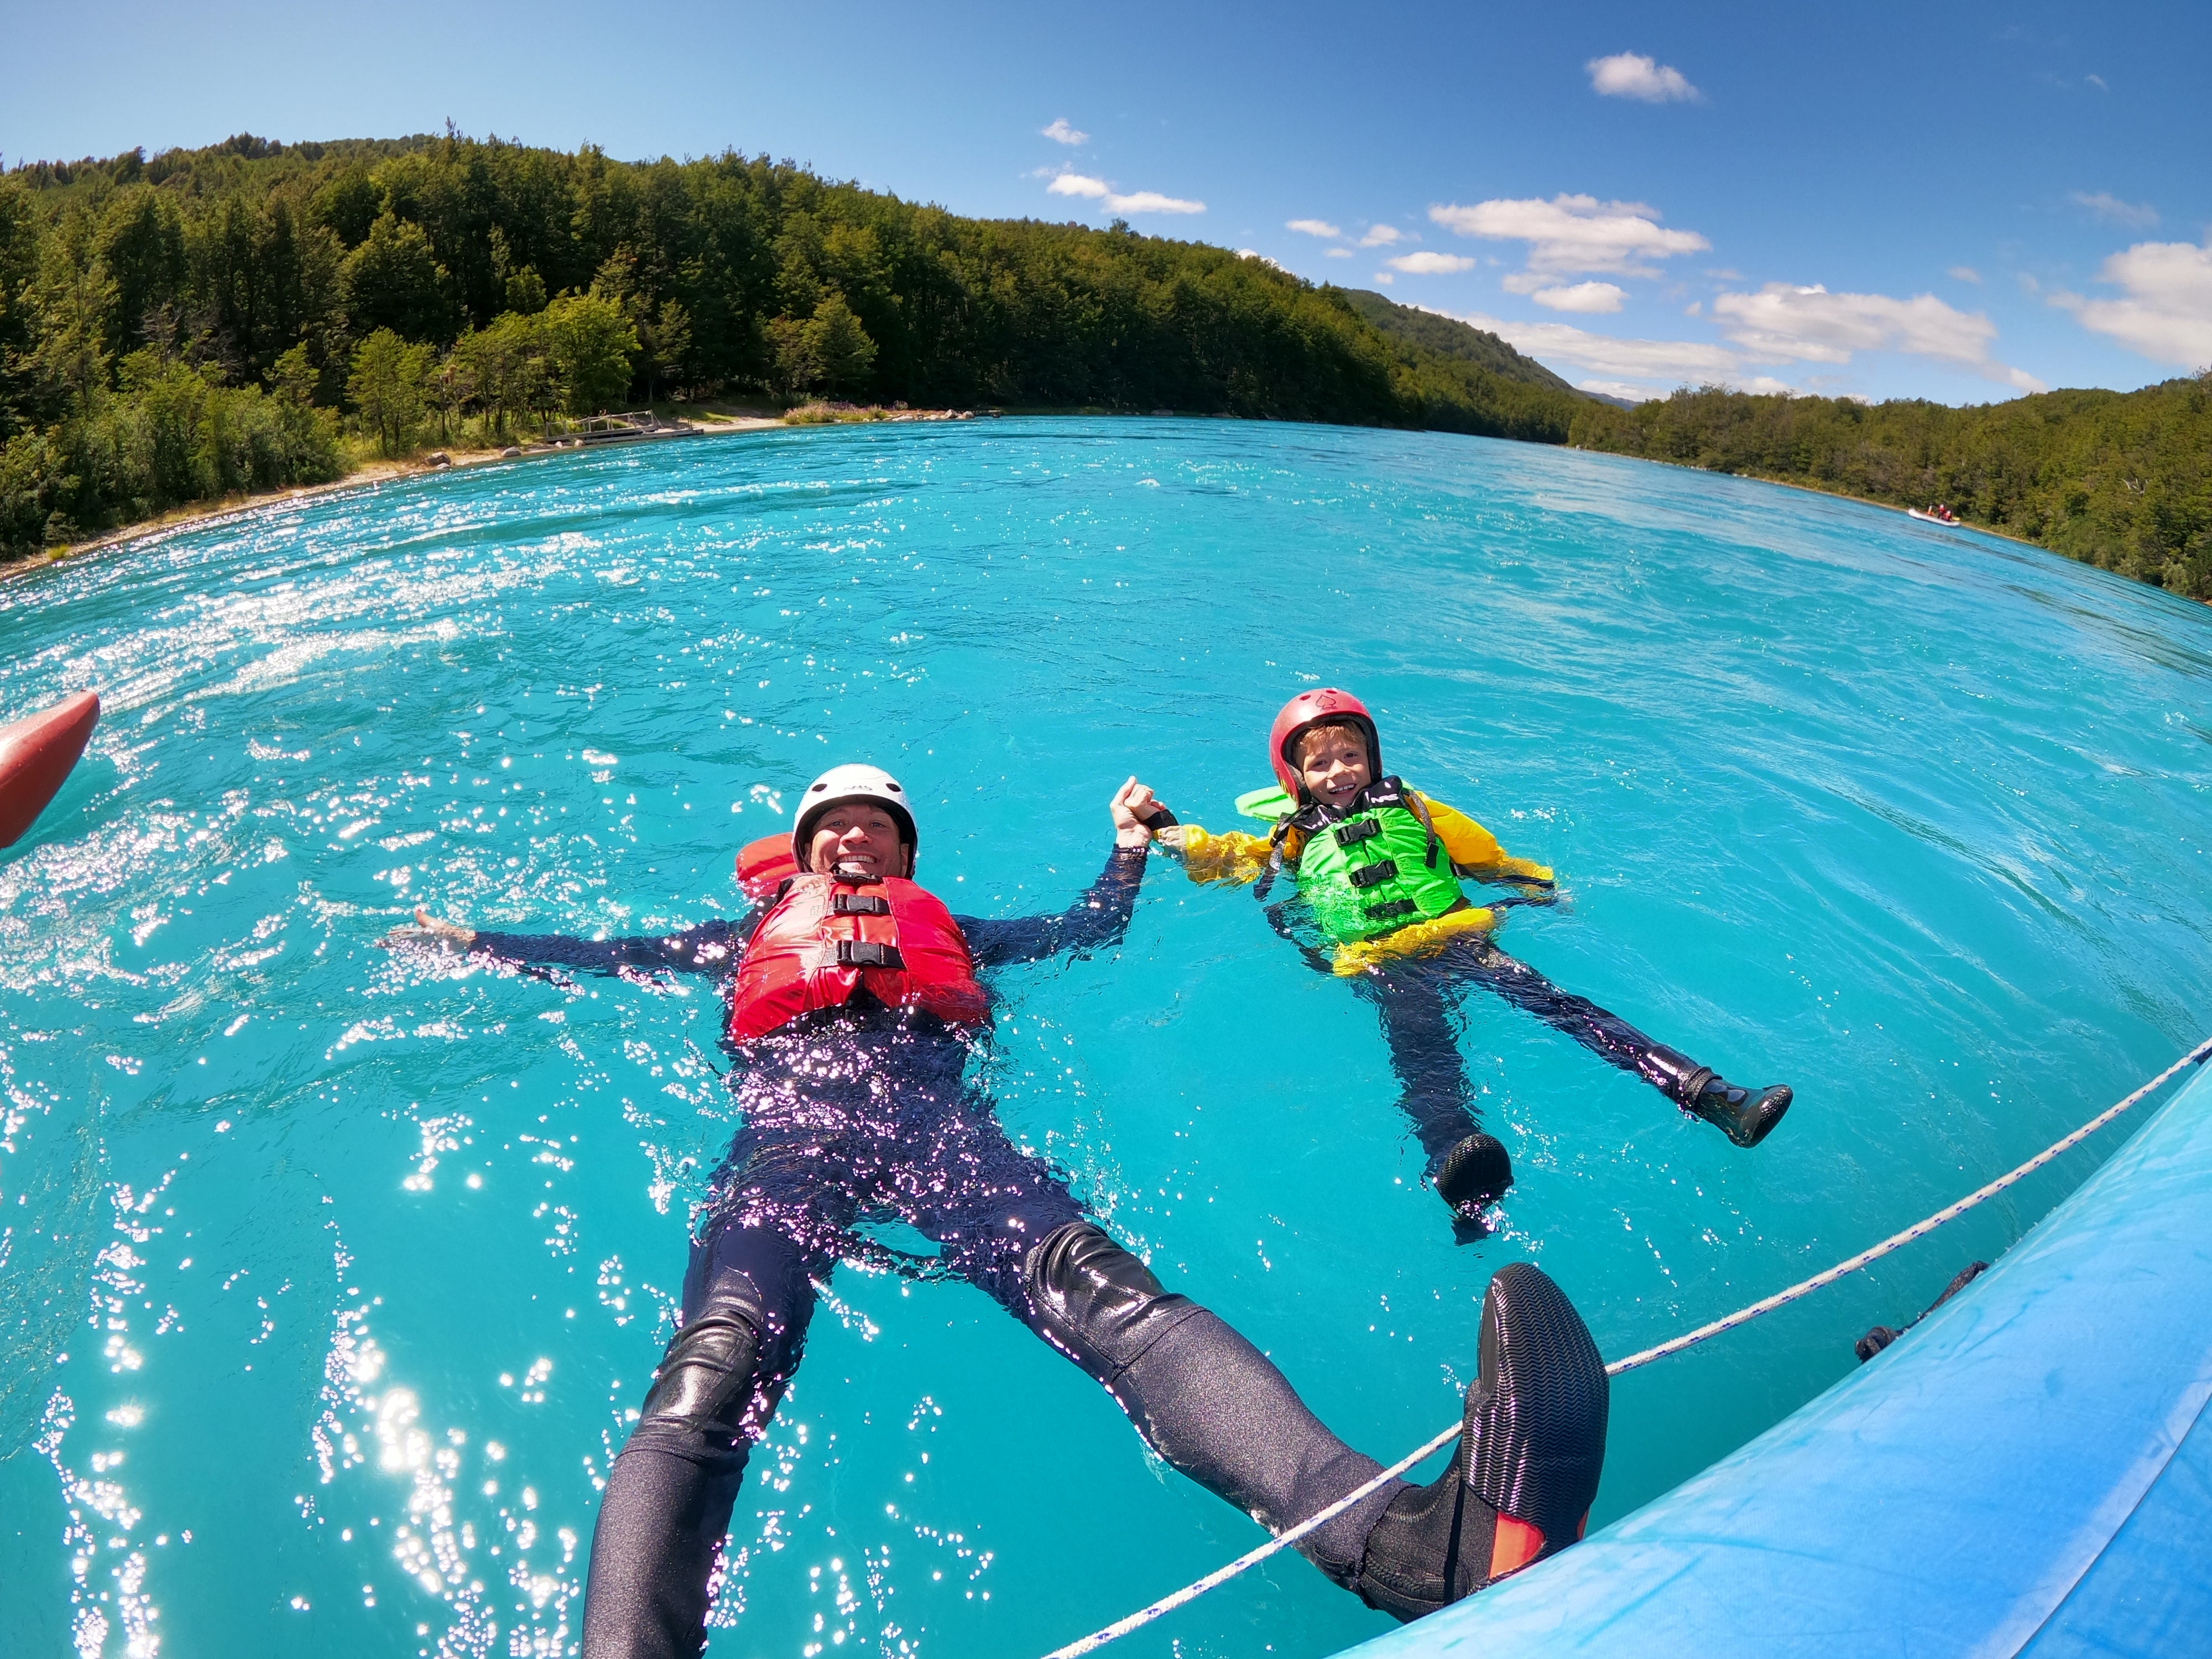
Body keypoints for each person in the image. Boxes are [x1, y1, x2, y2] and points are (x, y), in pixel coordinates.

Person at [383, 763, 1612, 1658]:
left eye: (878, 831)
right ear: (804, 855)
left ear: (904, 861)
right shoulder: (737, 937)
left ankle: (1411, 1552)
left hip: (939, 1134)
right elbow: (607, 955)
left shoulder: (953, 934)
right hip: (789, 1140)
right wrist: (472, 941)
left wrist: (1126, 843)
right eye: (834, 831)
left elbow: (1090, 930)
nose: (854, 843)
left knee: (1115, 1302)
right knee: (711, 1368)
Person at [1154, 690, 1791, 1234]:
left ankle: (1711, 1096)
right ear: (1293, 775)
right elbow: (1228, 860)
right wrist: (1179, 835)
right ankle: (1458, 1166)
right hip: (1385, 963)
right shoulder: (1286, 837)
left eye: (1351, 755)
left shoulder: (1413, 808)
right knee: (1424, 1057)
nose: (1339, 770)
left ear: (1372, 758)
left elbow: (1483, 854)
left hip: (1461, 938)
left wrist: (1537, 882)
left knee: (1568, 1010)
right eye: (1319, 763)